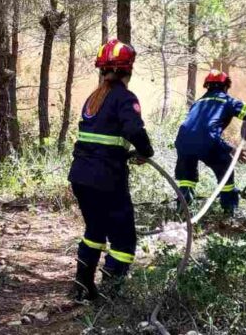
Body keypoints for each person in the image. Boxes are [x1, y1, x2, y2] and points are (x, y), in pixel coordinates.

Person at [68, 39, 154, 303]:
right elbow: (132, 130)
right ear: (128, 69)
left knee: (95, 230)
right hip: (107, 178)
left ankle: (82, 287)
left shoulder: (93, 98)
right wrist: (146, 151)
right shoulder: (125, 98)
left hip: (81, 176)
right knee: (124, 239)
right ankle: (111, 296)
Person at [174, 70, 246, 215]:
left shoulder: (197, 103)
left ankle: (181, 210)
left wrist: (229, 148)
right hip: (208, 141)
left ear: (207, 86)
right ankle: (229, 210)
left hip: (182, 141)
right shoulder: (229, 102)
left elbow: (197, 130)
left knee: (186, 179)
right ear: (226, 86)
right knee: (225, 169)